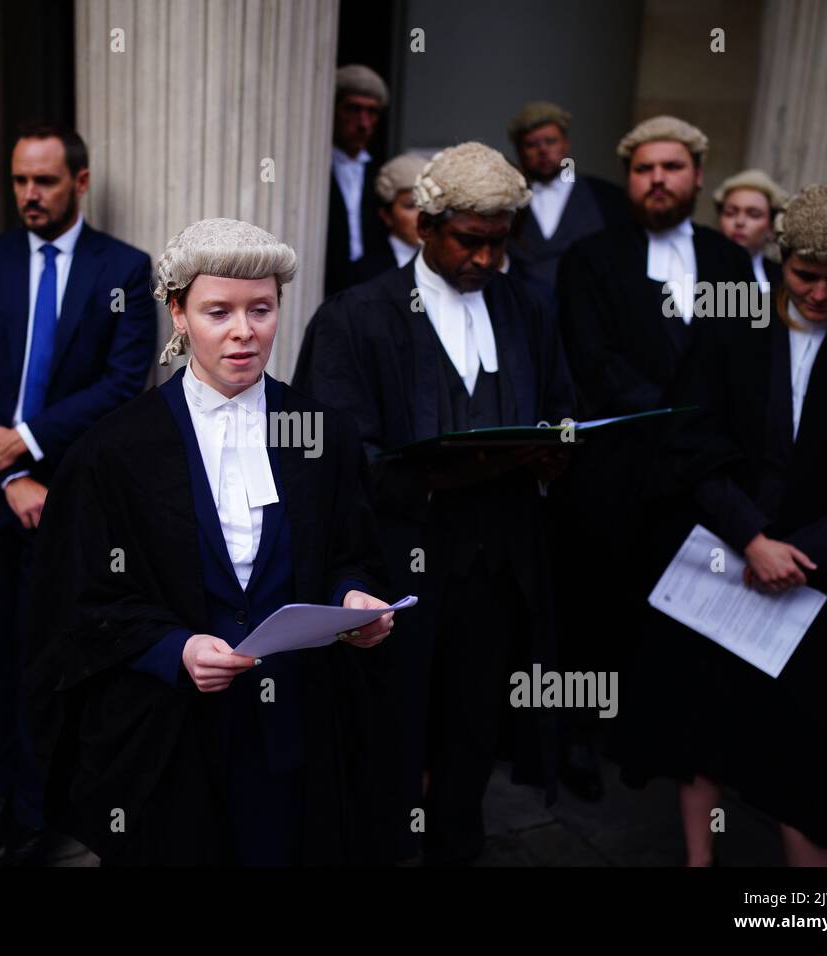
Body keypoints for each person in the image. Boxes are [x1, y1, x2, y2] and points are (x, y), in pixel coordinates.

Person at [25, 218, 393, 865]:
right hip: (168, 734)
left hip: (294, 726)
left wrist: (355, 598)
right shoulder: (115, 450)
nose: (243, 332)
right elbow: (79, 598)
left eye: (262, 309)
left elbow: (350, 551)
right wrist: (176, 647)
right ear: (177, 311)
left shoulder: (324, 433)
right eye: (218, 311)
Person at [618, 182, 827, 866]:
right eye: (805, 275)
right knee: (701, 722)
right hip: (722, 555)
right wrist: (750, 537)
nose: (818, 293)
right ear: (783, 257)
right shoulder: (732, 322)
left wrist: (798, 555)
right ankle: (700, 861)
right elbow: (690, 438)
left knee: (813, 752)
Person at [296, 142, 576, 864]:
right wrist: (434, 476)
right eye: (469, 241)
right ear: (425, 224)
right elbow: (329, 450)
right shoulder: (355, 316)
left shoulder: (529, 305)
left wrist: (552, 452)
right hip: (398, 567)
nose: (485, 260)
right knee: (387, 736)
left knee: (474, 733)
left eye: (499, 243)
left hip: (502, 565)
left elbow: (561, 404)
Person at [0, 120, 154, 865]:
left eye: (46, 181)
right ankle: (6, 796)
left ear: (80, 182)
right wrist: (10, 472)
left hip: (75, 503)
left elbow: (125, 384)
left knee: (56, 660)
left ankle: (43, 809)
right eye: (20, 180)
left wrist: (27, 446)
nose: (29, 194)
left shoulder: (124, 270)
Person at [550, 117, 754, 801]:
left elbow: (744, 360)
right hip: (614, 470)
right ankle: (577, 736)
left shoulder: (728, 259)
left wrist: (702, 444)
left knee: (679, 616)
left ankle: (660, 738)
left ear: (699, 176)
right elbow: (592, 358)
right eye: (643, 168)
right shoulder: (590, 256)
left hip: (698, 476)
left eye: (672, 167)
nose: (658, 179)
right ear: (628, 179)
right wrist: (678, 422)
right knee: (594, 606)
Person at [505, 101, 628, 291]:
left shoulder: (607, 196)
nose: (543, 151)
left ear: (566, 144)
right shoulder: (507, 201)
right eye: (532, 144)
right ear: (519, 152)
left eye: (551, 141)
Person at [324, 64, 390, 295]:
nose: (364, 123)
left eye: (372, 112)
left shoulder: (381, 172)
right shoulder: (315, 169)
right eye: (353, 109)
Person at [351, 152, 427, 283]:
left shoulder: (444, 265)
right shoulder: (366, 271)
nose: (421, 215)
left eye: (426, 205)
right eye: (410, 206)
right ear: (386, 215)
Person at [714, 168, 788, 290]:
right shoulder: (699, 265)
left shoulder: (782, 277)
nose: (740, 222)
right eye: (730, 212)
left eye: (753, 214)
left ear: (771, 225)